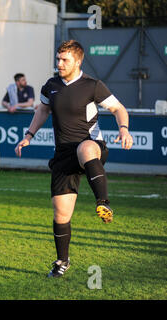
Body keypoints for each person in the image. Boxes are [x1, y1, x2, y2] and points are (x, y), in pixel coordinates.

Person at [15, 40, 133, 278]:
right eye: (58, 59)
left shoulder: (92, 85)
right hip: (63, 155)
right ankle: (62, 261)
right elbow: (42, 110)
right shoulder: (51, 85)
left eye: (64, 60)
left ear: (78, 61)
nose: (59, 63)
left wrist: (124, 129)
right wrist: (29, 135)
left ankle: (103, 202)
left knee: (86, 148)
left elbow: (119, 108)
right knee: (61, 214)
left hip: (91, 146)